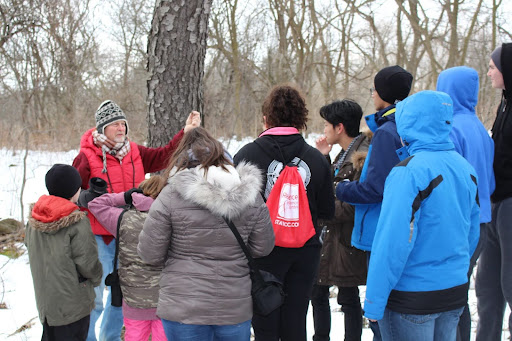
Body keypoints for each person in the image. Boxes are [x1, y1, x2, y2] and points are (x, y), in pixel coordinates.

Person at [72, 100, 200, 341]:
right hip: (98, 237)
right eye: (114, 125)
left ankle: (110, 338)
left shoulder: (134, 152)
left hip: (129, 237)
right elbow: (71, 193)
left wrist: (186, 133)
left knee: (121, 297)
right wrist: (86, 197)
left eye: (123, 124)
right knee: (95, 298)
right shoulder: (86, 156)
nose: (121, 129)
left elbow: (164, 155)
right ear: (101, 129)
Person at [137, 127, 275, 341]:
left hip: (183, 307)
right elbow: (263, 247)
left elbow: (149, 254)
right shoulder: (250, 195)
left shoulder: (171, 195)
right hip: (233, 306)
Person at [364, 90, 480, 341]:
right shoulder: (465, 168)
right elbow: (471, 233)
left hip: (412, 298)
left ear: (409, 122)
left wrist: (374, 301)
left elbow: (392, 242)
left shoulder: (408, 172)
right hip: (453, 293)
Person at [233, 84, 335, 341]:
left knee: (265, 320)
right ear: (301, 119)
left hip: (261, 253)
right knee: (296, 320)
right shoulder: (316, 159)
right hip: (305, 253)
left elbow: (234, 212)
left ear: (266, 118)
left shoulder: (246, 155)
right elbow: (326, 211)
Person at [335, 65, 413, 340]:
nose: (372, 93)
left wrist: (341, 189)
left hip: (380, 228)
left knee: (381, 311)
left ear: (384, 94)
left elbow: (375, 189)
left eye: (374, 89)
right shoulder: (408, 125)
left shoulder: (386, 133)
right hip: (403, 226)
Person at [436, 66, 495, 341]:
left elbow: (450, 181)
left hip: (461, 223)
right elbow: (489, 182)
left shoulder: (452, 128)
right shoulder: (480, 129)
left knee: (451, 295)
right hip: (482, 221)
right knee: (460, 288)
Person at [311, 99, 369, 341]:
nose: (324, 129)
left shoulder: (361, 158)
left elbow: (353, 206)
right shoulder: (343, 154)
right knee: (318, 292)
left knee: (348, 297)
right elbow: (333, 187)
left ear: (340, 127)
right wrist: (325, 158)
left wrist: (321, 208)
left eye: (326, 124)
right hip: (330, 240)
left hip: (346, 241)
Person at [25, 164, 103, 341]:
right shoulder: (76, 222)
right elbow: (88, 264)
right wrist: (97, 278)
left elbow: (30, 246)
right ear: (74, 190)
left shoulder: (34, 218)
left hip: (46, 302)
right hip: (73, 304)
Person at [88, 175, 168, 341]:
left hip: (133, 300)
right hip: (166, 300)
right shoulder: (173, 219)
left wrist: (123, 196)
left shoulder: (122, 218)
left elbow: (95, 204)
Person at [475, 42, 512, 341]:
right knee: (487, 285)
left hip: (511, 205)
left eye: (492, 67)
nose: (488, 73)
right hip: (495, 203)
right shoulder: (504, 102)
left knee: (510, 282)